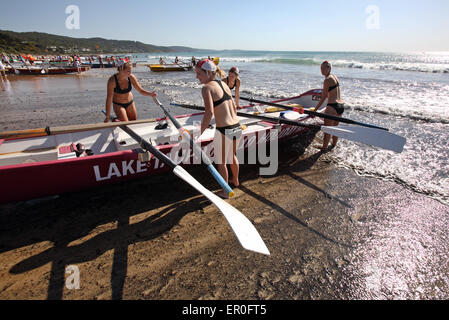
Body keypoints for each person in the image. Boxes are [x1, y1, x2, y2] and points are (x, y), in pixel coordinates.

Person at [195, 59, 242, 198]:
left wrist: (199, 133)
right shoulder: (223, 83)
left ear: (208, 73)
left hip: (224, 130)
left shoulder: (206, 88)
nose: (196, 76)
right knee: (232, 156)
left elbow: (209, 113)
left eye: (199, 73)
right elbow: (233, 106)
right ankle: (236, 181)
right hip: (237, 126)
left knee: (221, 163)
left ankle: (225, 191)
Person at [314, 60, 344, 150]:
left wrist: (315, 110)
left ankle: (324, 147)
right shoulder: (335, 77)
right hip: (340, 106)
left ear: (329, 68)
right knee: (335, 129)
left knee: (327, 130)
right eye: (321, 68)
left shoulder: (327, 80)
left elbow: (323, 97)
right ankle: (333, 145)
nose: (322, 70)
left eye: (324, 68)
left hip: (332, 106)